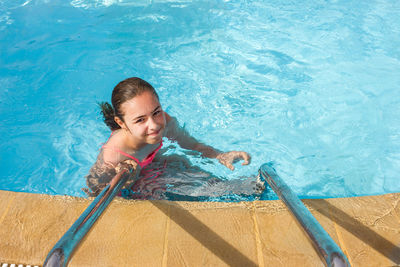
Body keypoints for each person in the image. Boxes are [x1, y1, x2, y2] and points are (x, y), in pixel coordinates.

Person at [83, 77, 256, 199]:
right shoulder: (112, 157)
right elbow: (96, 196)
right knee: (158, 187)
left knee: (180, 162)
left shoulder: (164, 120)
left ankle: (231, 189)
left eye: (156, 112)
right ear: (121, 122)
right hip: (136, 183)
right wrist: (129, 179)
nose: (155, 125)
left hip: (156, 165)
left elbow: (193, 145)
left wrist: (220, 155)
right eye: (140, 120)